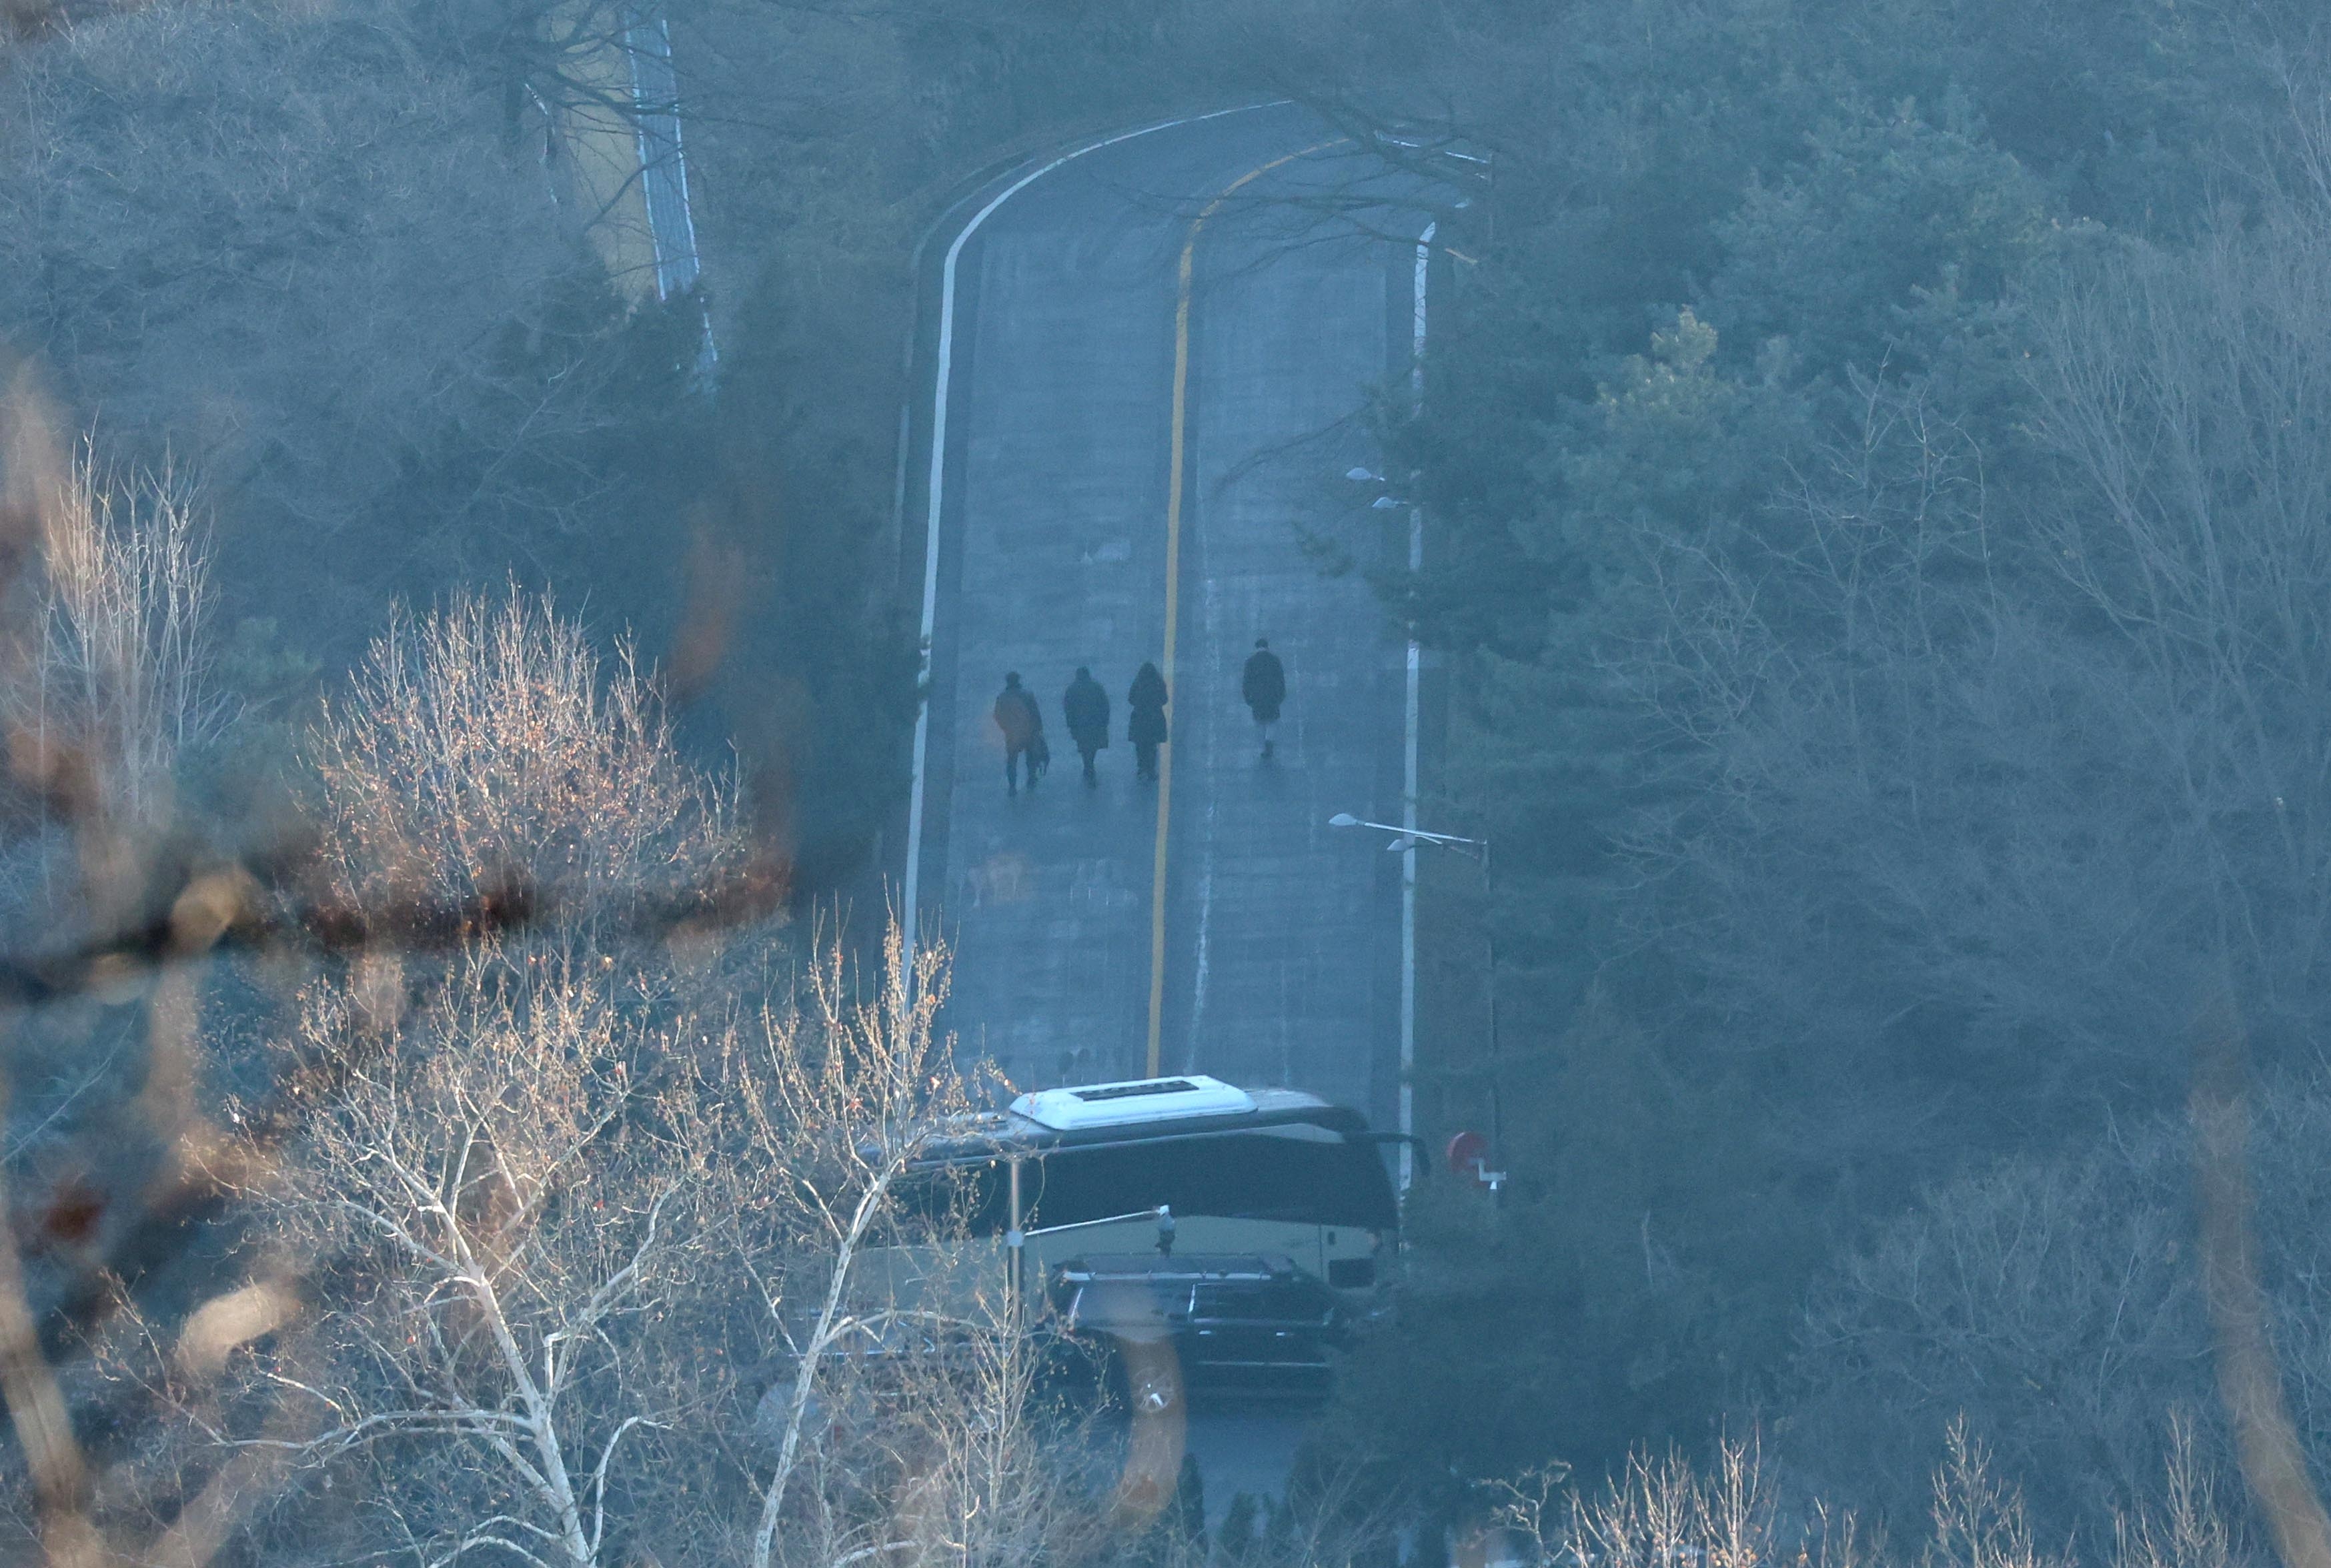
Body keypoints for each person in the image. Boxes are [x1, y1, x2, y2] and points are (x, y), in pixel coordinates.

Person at [992, 672, 1044, 794]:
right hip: (1029, 732)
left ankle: (1012, 786)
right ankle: (1031, 778)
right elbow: (1036, 714)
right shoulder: (1027, 695)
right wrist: (1038, 730)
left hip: (1012, 734)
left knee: (1012, 760)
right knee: (1031, 756)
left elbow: (997, 715)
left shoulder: (1003, 698)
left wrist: (1006, 728)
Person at [1063, 666, 1111, 786]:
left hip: (1080, 723)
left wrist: (1070, 723)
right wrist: (1105, 719)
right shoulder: (1096, 687)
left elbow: (1068, 708)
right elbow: (1105, 704)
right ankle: (1090, 764)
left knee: (1084, 745)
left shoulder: (1072, 689)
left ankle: (1087, 765)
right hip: (1095, 722)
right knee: (1093, 745)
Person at [1242, 636, 1287, 759]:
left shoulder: (1250, 662)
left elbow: (1246, 681)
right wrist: (1281, 695)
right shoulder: (1275, 660)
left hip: (1257, 697)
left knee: (1259, 721)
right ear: (1267, 647)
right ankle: (1269, 742)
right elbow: (1281, 680)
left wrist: (1247, 697)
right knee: (1272, 721)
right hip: (1272, 696)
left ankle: (1264, 745)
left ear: (1256, 648)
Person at [1128, 661, 1169, 782]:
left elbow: (1130, 699)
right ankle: (1151, 770)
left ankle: (1141, 768)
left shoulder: (1138, 682)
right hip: (1155, 718)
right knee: (1152, 746)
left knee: (1140, 745)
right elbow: (1164, 699)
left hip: (1140, 718)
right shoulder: (1158, 682)